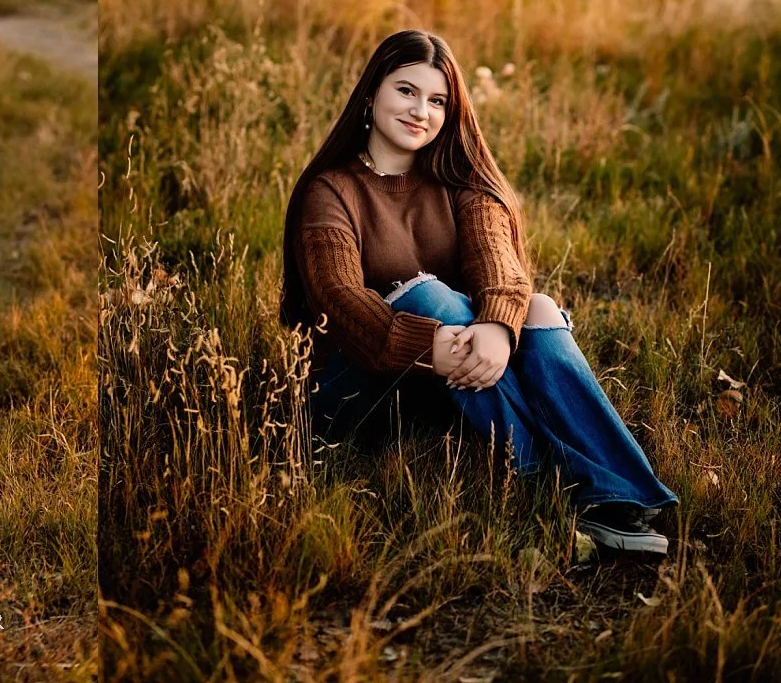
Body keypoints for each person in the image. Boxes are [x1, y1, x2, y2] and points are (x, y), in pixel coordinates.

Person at [281, 29, 676, 557]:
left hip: (457, 382)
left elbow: (503, 272)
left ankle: (618, 494)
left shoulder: (461, 179)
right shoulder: (331, 191)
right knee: (429, 296)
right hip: (357, 391)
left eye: (437, 100)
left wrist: (494, 330)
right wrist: (440, 344)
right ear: (371, 94)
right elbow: (341, 305)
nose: (421, 109)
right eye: (406, 91)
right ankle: (550, 482)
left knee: (532, 308)